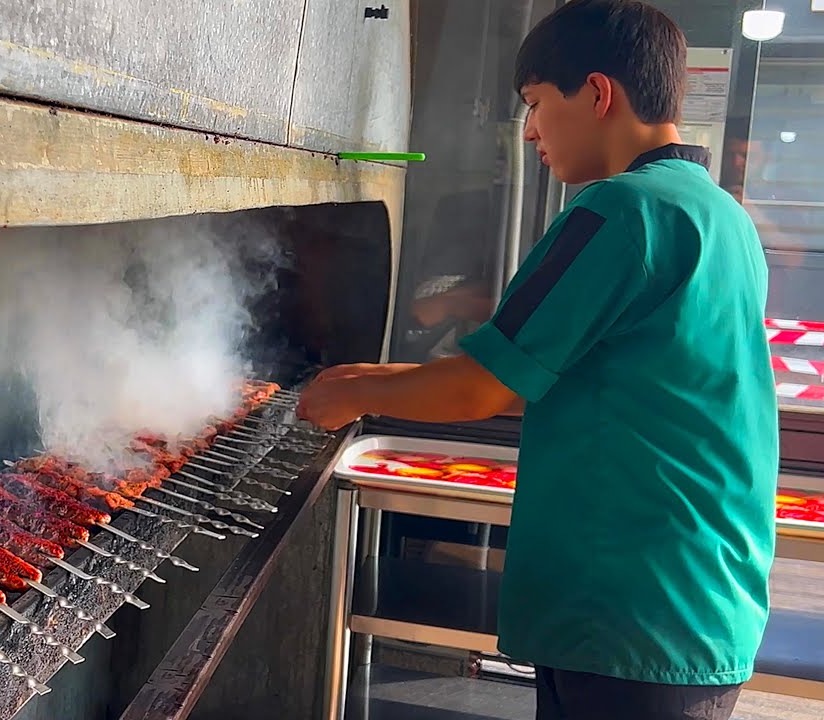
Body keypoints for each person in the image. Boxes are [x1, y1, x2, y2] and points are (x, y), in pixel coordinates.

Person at [296, 2, 779, 719]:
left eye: (535, 105)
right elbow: (557, 376)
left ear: (597, 92)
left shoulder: (621, 212)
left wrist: (351, 395)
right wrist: (370, 380)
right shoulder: (717, 215)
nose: (529, 133)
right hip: (691, 594)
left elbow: (484, 387)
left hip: (634, 604)